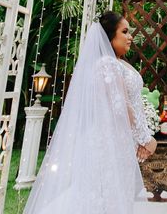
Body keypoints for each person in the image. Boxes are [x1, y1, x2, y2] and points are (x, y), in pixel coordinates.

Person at [24, 11, 157, 214]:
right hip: (109, 143)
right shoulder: (107, 64)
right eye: (124, 31)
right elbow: (121, 107)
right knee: (107, 199)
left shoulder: (118, 62)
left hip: (120, 143)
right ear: (108, 36)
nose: (130, 36)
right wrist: (147, 140)